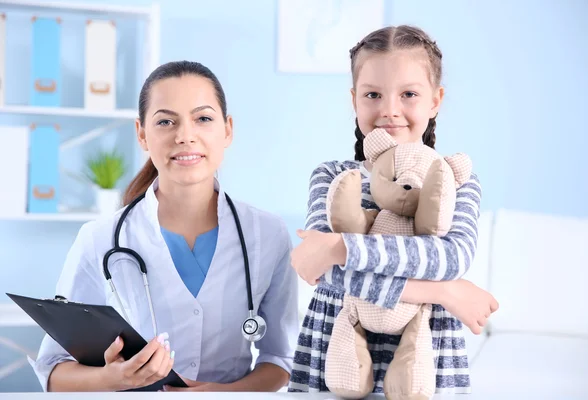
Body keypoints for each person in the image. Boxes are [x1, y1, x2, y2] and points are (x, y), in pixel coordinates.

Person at [29, 60, 298, 392]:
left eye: (203, 118)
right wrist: (110, 378)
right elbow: (53, 371)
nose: (185, 136)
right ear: (142, 134)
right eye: (166, 121)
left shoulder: (268, 235)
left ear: (227, 129)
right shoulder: (99, 239)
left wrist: (219, 394)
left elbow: (280, 360)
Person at [288, 25, 499, 394]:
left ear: (436, 100)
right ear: (354, 100)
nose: (389, 110)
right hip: (335, 354)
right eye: (372, 94)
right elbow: (320, 272)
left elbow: (448, 258)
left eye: (409, 94)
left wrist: (341, 248)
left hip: (426, 358)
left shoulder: (456, 180)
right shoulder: (334, 177)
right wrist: (444, 293)